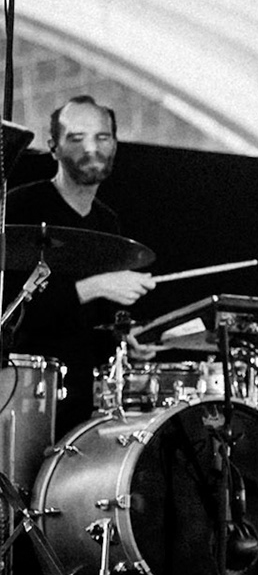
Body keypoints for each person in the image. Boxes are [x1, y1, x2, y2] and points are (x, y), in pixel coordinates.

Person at [6, 96, 154, 435]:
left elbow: (96, 323)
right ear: (53, 147)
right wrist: (94, 286)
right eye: (76, 138)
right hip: (23, 392)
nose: (91, 148)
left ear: (115, 144)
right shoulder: (20, 208)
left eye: (102, 137)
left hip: (86, 400)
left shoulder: (107, 222)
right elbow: (12, 314)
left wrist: (126, 339)